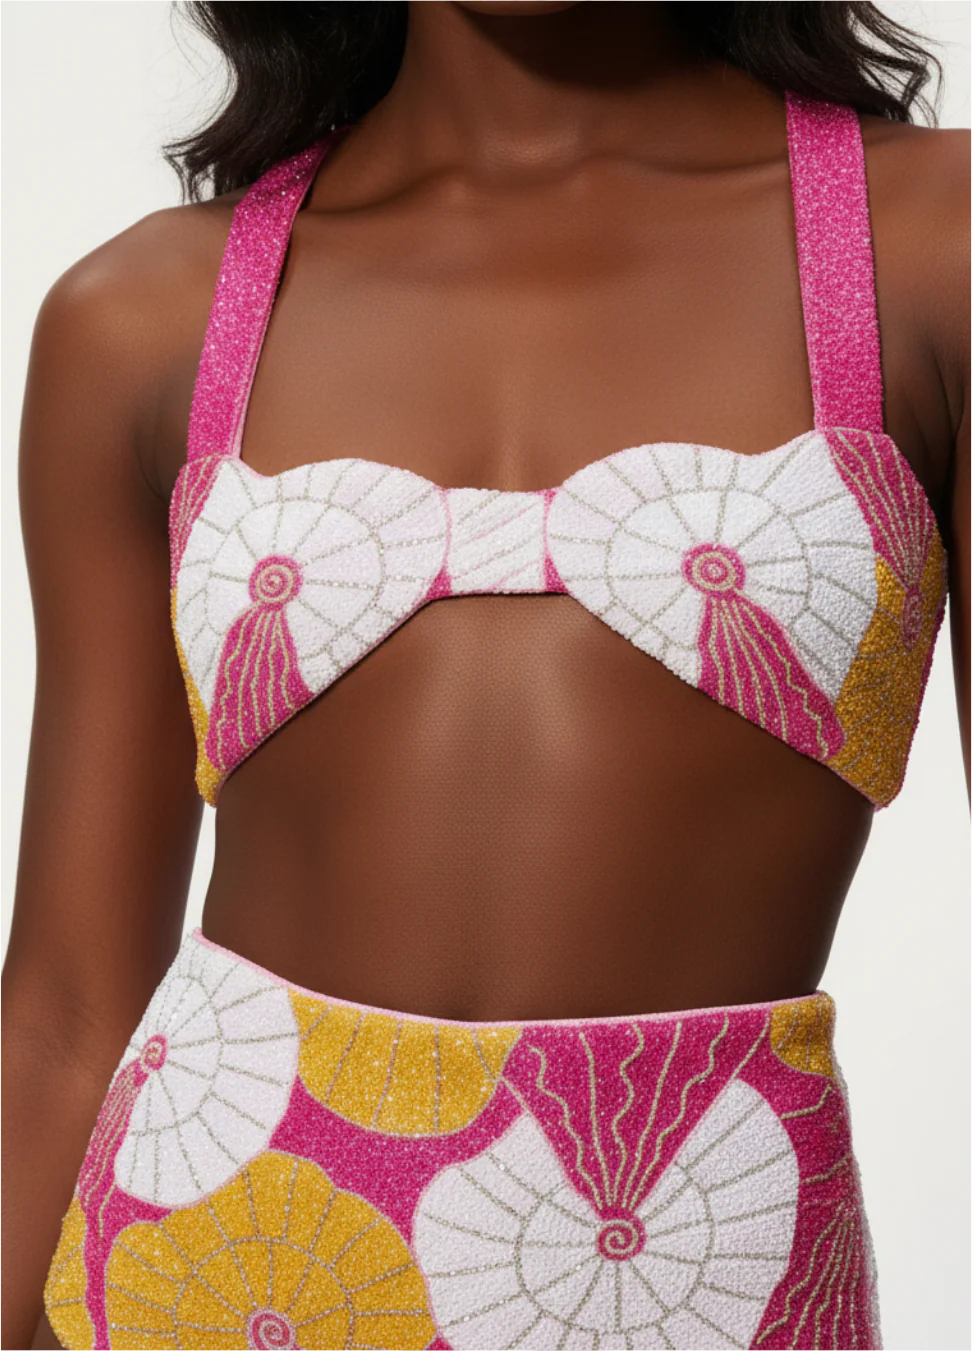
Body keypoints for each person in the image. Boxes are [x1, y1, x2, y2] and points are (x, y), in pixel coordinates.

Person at [2, 1, 968, 1347]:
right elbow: (66, 1007)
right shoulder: (144, 317)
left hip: (700, 1281)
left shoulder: (929, 246)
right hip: (202, 1263)